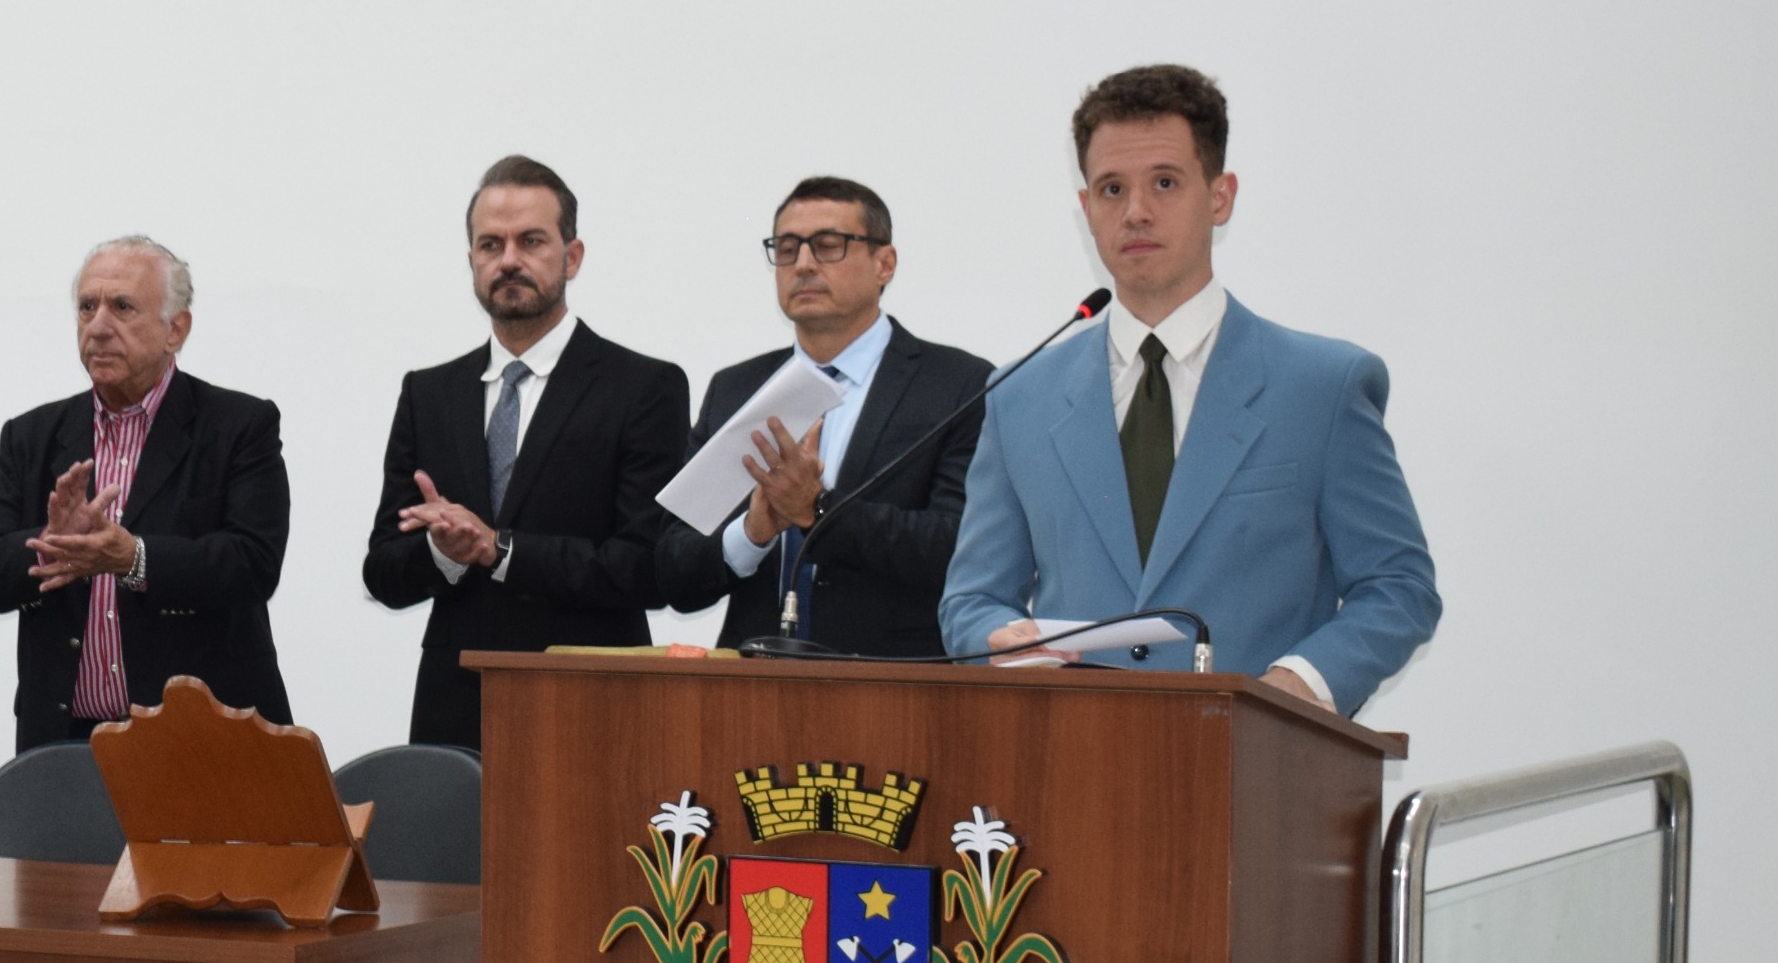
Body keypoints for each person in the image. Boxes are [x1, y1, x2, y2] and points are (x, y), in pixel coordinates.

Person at [0, 231, 286, 963]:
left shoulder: (235, 425)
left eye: (122, 308)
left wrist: (132, 553)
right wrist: (41, 547)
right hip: (66, 752)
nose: (97, 325)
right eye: (85, 306)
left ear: (176, 327)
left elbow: (249, 560)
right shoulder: (35, 433)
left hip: (191, 745)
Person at [940, 65, 1440, 710]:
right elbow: (972, 598)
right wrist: (996, 639)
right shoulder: (1019, 395)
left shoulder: (1323, 385)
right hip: (1066, 758)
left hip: (1256, 763)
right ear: (1087, 209)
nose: (1137, 211)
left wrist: (1299, 684)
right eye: (1112, 189)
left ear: (1221, 195)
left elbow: (1399, 585)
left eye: (1166, 183)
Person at [363, 155, 690, 748]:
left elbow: (647, 568)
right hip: (457, 707)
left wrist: (499, 549)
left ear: (573, 256)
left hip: (596, 700)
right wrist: (447, 555)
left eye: (530, 240)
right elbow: (383, 571)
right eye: (490, 244)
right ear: (471, 263)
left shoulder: (644, 387)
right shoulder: (428, 393)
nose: (508, 259)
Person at [647, 179, 990, 656]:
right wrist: (752, 534)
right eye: (787, 249)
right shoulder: (737, 389)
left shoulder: (957, 385)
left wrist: (818, 510)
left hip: (894, 684)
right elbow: (673, 570)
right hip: (749, 683)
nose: (803, 264)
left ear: (884, 264)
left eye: (828, 246)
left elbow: (960, 547)